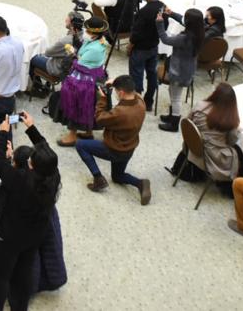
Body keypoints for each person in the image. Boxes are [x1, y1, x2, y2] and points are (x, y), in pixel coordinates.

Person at [0, 111, 60, 311]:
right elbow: (47, 152)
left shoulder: (19, 180)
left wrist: (3, 132)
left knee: (1, 277)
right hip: (34, 236)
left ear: (32, 166)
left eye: (31, 161)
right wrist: (31, 128)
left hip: (8, 238)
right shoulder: (53, 177)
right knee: (24, 273)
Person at [75, 75, 151, 205]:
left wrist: (102, 99)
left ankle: (98, 178)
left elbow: (100, 119)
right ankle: (141, 183)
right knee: (117, 177)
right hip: (129, 148)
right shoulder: (140, 102)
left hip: (114, 149)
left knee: (80, 145)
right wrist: (114, 81)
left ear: (121, 93)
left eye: (116, 91)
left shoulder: (120, 112)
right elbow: (134, 93)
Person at [56, 16, 108, 147]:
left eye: (89, 31)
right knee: (91, 106)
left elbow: (79, 63)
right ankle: (88, 132)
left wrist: (73, 54)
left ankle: (72, 135)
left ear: (95, 34)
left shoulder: (96, 49)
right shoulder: (98, 41)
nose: (86, 33)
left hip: (86, 79)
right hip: (94, 75)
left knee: (74, 102)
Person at [183, 82, 241, 185]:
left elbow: (187, 122)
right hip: (214, 157)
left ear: (215, 94)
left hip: (194, 148)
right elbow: (232, 141)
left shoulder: (199, 106)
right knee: (240, 153)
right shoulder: (229, 119)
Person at [156, 7, 204, 131]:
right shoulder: (199, 32)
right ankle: (172, 115)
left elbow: (165, 39)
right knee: (173, 92)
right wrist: (172, 13)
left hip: (179, 71)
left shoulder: (184, 38)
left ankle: (174, 123)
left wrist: (160, 23)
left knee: (176, 97)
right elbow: (182, 20)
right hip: (187, 68)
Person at [128, 0, 164, 111]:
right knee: (152, 75)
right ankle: (149, 102)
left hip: (140, 49)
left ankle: (137, 104)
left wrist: (130, 45)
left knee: (136, 76)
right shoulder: (162, 7)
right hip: (153, 47)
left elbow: (136, 33)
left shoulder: (144, 11)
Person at [27, 11, 82, 87]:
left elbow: (48, 53)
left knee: (31, 57)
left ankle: (38, 87)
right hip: (69, 67)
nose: (65, 20)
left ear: (72, 24)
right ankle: (45, 84)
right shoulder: (83, 36)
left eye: (67, 19)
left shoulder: (66, 41)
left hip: (58, 68)